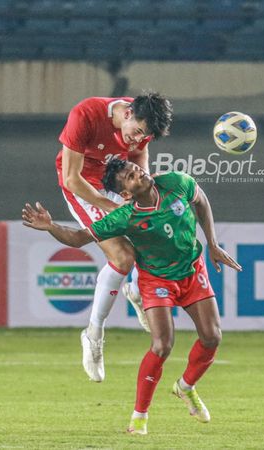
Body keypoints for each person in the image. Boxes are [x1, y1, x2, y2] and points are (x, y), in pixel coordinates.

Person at [23, 158, 241, 435]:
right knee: (163, 345)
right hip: (157, 279)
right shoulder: (125, 216)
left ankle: (185, 387)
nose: (137, 172)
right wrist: (51, 226)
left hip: (192, 269)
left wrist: (212, 243)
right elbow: (78, 238)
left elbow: (201, 200)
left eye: (134, 169)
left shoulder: (175, 182)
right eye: (128, 176)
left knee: (212, 338)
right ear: (125, 194)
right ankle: (139, 418)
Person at [56, 92, 173, 382]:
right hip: (82, 186)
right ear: (128, 113)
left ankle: (135, 290)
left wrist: (142, 191)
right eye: (136, 132)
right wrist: (111, 207)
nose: (136, 139)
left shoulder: (143, 124)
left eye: (143, 136)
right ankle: (93, 335)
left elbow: (138, 154)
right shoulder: (85, 114)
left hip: (117, 183)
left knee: (154, 237)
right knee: (123, 256)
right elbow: (72, 177)